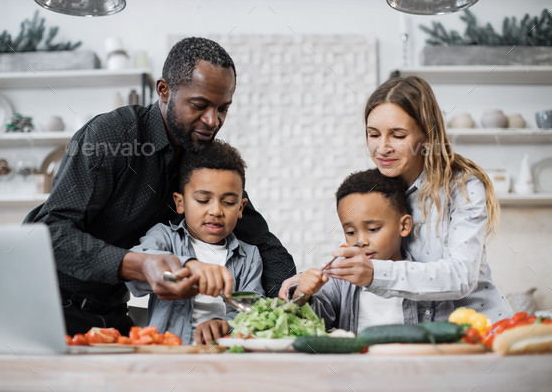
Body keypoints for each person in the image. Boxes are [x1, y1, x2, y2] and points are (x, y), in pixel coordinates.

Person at [23, 37, 295, 336]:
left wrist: (286, 305)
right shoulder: (112, 136)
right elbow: (49, 234)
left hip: (109, 313)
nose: (212, 120)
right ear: (164, 91)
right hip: (41, 306)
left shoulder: (203, 160)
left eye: (223, 109)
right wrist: (141, 265)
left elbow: (264, 244)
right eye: (199, 105)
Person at [281, 76, 512, 323]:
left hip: (479, 329)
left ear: (426, 135)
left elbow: (461, 276)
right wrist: (310, 283)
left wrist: (373, 273)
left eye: (398, 136)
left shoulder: (462, 187)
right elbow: (367, 248)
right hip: (428, 338)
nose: (382, 148)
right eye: (373, 134)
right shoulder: (382, 186)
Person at [126, 140, 264, 344]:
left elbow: (253, 310)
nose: (216, 211)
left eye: (228, 202)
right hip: (169, 357)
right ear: (180, 203)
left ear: (241, 208)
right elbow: (137, 268)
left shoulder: (250, 257)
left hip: (223, 359)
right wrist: (186, 268)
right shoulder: (164, 238)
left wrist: (227, 324)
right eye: (202, 200)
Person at [287, 169, 453, 333]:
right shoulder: (339, 282)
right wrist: (302, 295)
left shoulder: (425, 279)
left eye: (373, 229)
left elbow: (445, 339)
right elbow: (309, 325)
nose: (362, 241)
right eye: (351, 232)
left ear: (404, 226)